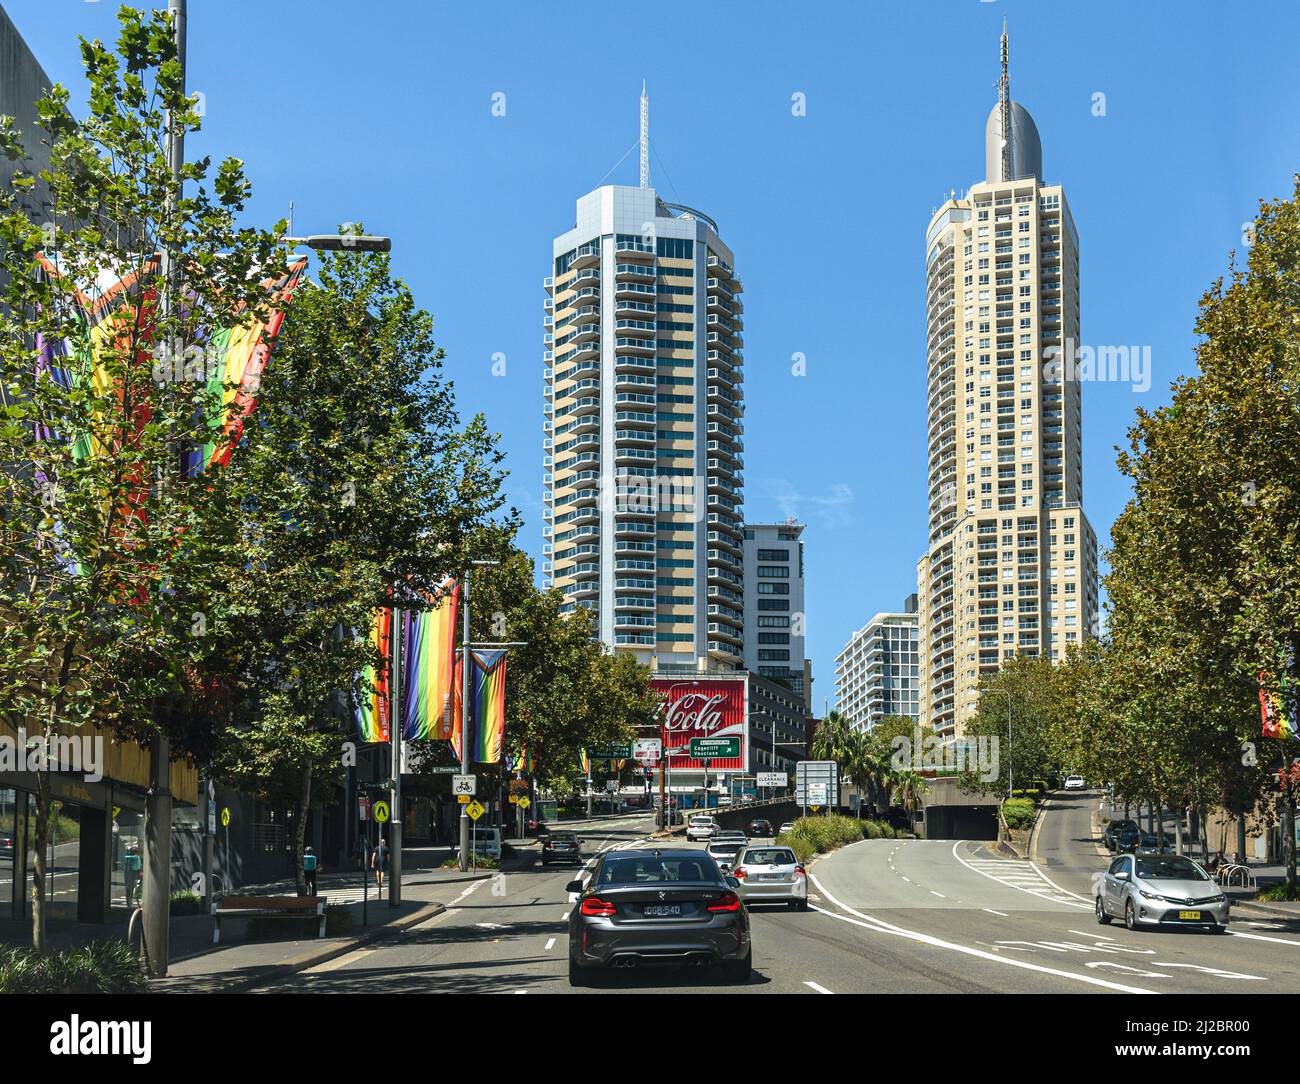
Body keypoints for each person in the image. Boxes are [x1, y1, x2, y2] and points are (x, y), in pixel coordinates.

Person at [122, 842, 142, 907]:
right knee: (135, 887)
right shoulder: (136, 857)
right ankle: (132, 902)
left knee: (128, 889)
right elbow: (137, 867)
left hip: (127, 874)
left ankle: (129, 903)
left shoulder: (127, 858)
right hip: (134, 875)